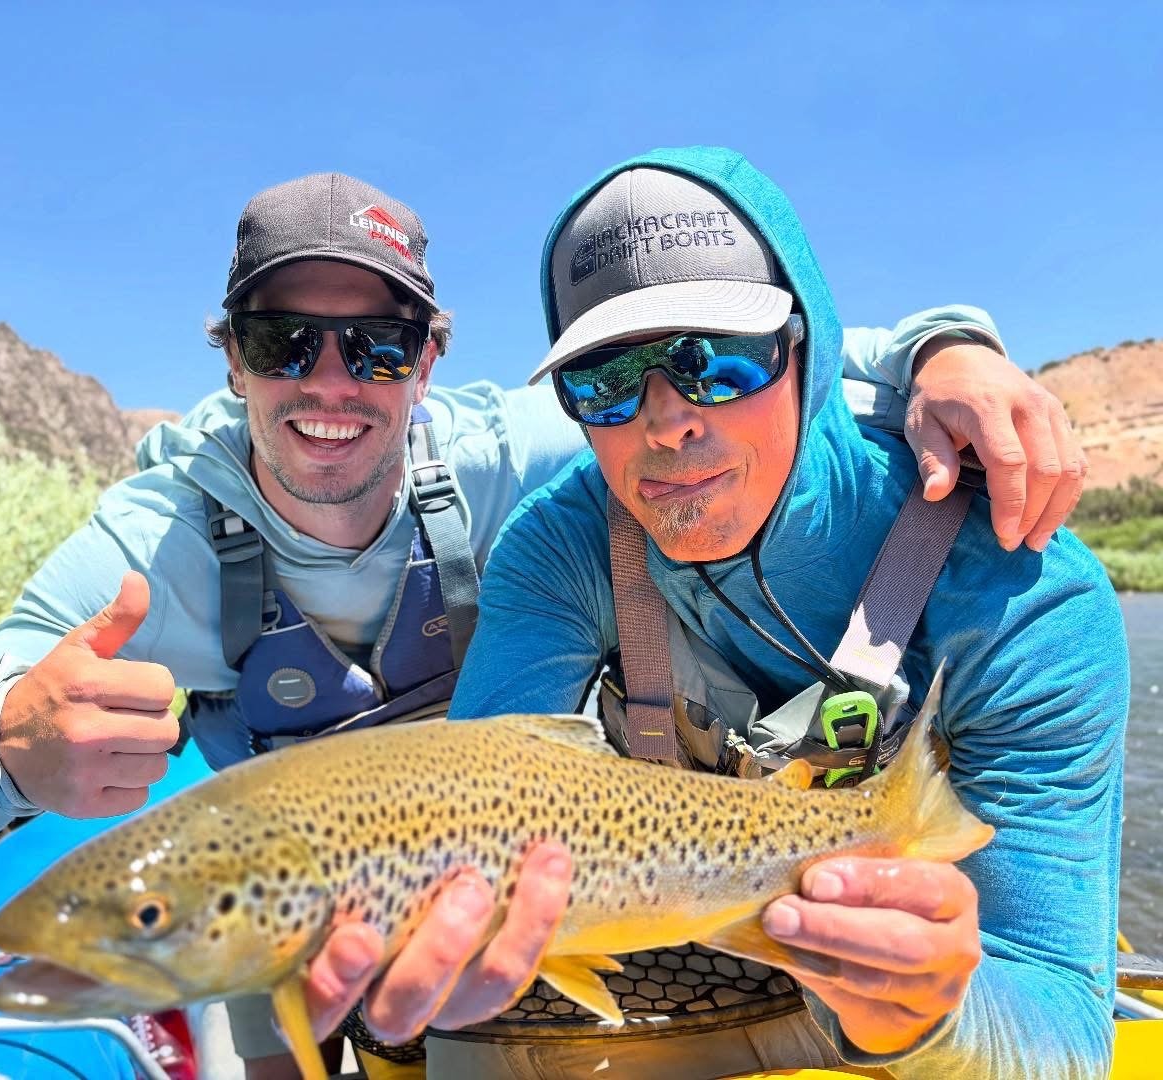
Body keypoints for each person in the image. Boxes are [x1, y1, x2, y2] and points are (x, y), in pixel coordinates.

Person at [0, 171, 1087, 1079]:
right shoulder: (146, 547)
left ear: (428, 358)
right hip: (339, 893)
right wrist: (1, 739)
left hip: (483, 842)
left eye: (374, 346)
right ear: (231, 356)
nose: (331, 380)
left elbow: (788, 344)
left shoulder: (520, 459)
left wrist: (948, 349)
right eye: (285, 339)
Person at [300, 150, 1125, 1079]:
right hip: (654, 964)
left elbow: (1064, 1024)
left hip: (926, 1006)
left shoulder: (1027, 593)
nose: (667, 422)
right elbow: (481, 791)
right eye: (607, 381)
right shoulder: (560, 544)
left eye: (716, 363)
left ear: (804, 352)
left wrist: (926, 1019)